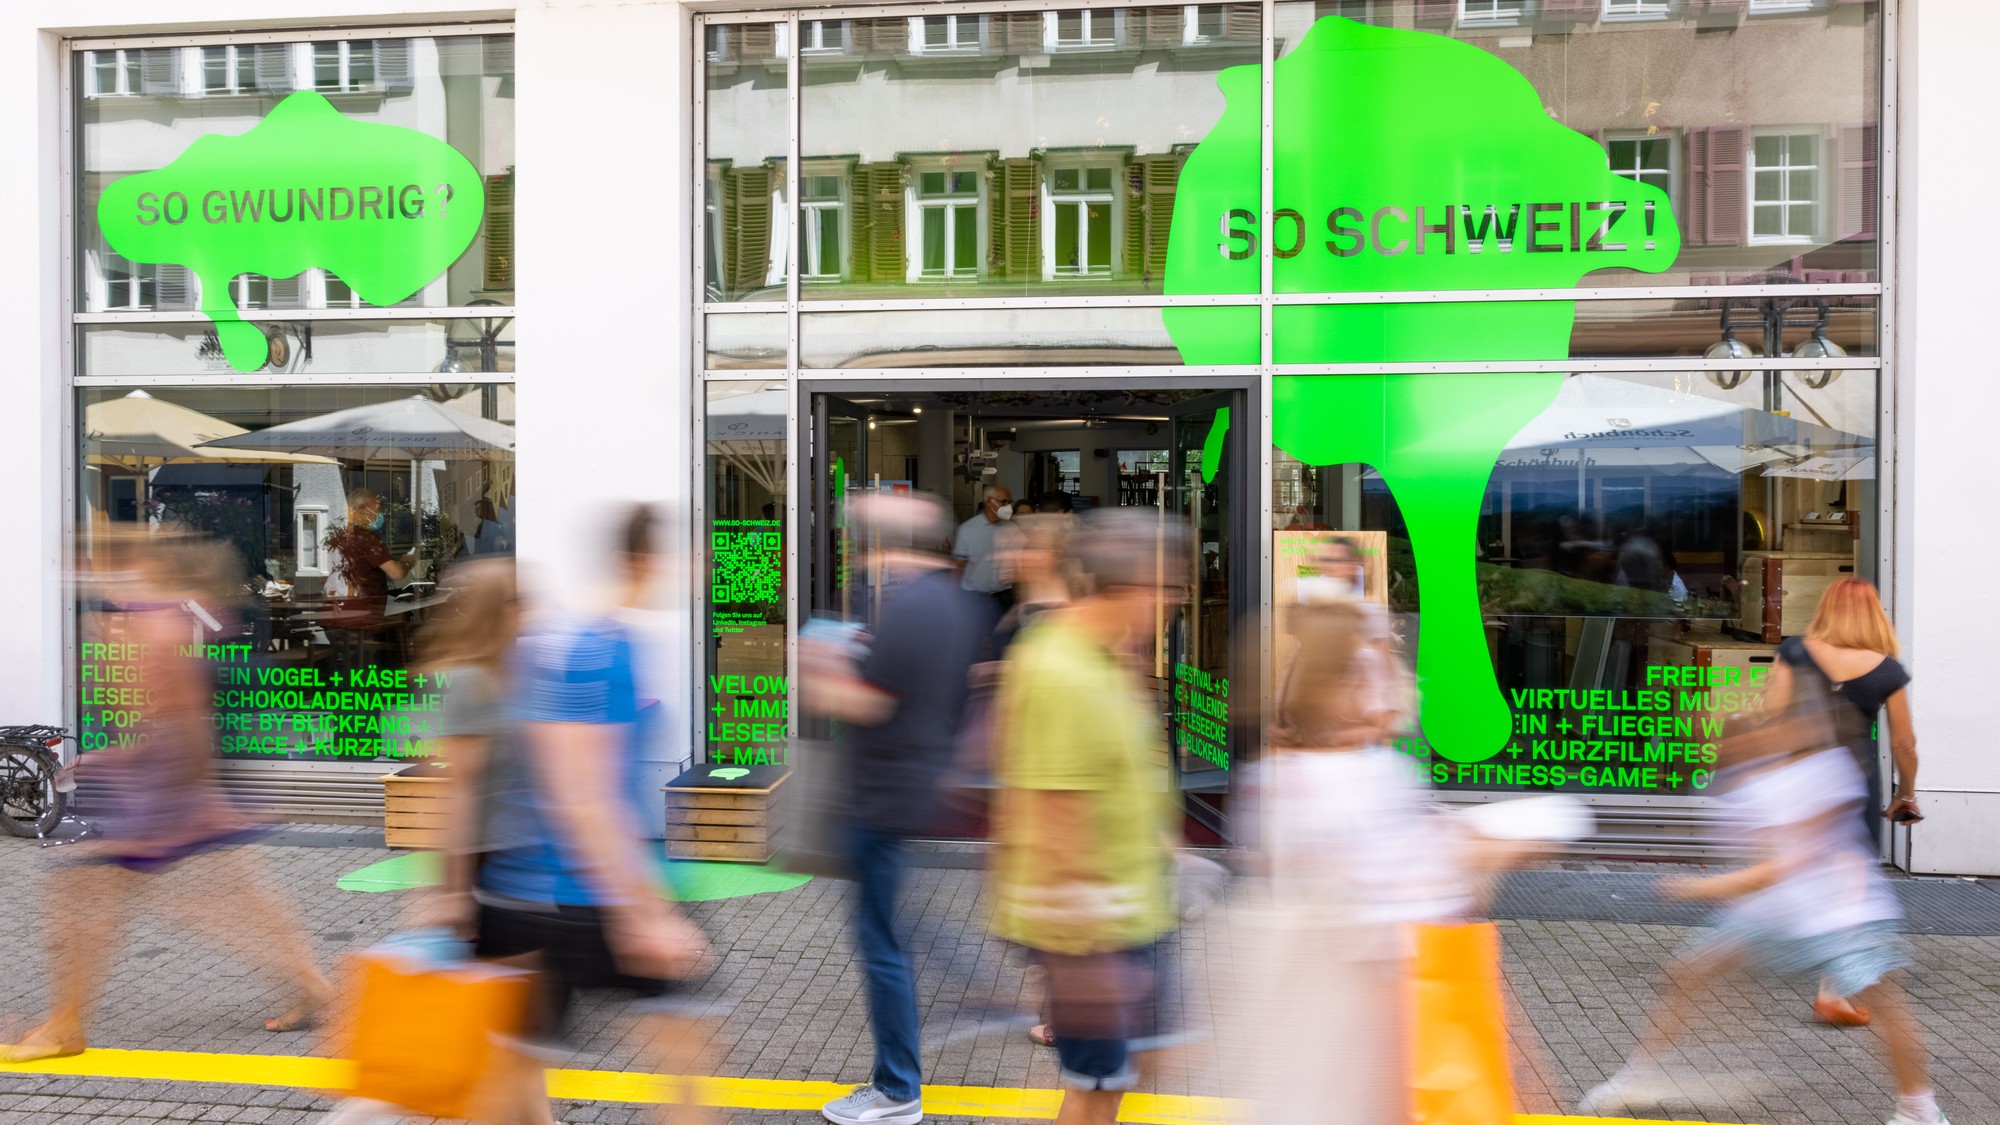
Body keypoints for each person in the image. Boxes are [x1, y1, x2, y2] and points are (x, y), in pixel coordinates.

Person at [3, 532, 330, 1062]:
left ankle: (64, 1025)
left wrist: (123, 772)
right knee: (232, 903)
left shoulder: (154, 629)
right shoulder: (161, 620)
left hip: (161, 803)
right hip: (173, 798)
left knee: (84, 901)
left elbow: (178, 727)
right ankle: (313, 986)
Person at [1580, 671, 1949, 1125]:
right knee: (1685, 976)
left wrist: (1696, 888)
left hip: (1842, 913)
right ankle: (1637, 1076)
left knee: (1887, 1005)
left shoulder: (1826, 774)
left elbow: (1780, 868)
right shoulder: (1745, 782)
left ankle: (1920, 1109)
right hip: (1774, 914)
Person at [470, 504, 717, 1123]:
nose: (699, 565)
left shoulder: (567, 641)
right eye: (686, 552)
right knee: (686, 1066)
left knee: (515, 1076)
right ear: (643, 560)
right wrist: (643, 914)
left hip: (536, 890)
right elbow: (580, 795)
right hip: (576, 895)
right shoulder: (597, 649)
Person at [988, 509, 1188, 1125]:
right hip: (1098, 933)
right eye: (1171, 589)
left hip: (1131, 910)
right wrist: (1086, 966)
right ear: (1132, 588)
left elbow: (1114, 773)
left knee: (1121, 1079)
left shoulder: (1104, 654)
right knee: (1095, 1092)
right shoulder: (1064, 669)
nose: (1176, 604)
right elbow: (1054, 819)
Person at [809, 491, 989, 1125]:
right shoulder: (951, 603)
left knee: (882, 941)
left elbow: (868, 703)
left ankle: (897, 1090)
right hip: (909, 786)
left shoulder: (911, 608)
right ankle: (979, 983)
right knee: (896, 927)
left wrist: (816, 664)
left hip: (883, 796)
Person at [1764, 577, 1921, 1028]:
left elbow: (1773, 712)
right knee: (1852, 883)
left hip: (1800, 777)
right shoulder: (1887, 670)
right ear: (1875, 615)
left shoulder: (1794, 650)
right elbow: (1905, 744)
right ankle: (1833, 988)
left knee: (1799, 868)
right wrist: (1904, 794)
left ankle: (1780, 947)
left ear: (1826, 610)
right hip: (1854, 782)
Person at [324, 487, 415, 627]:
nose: (379, 513)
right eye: (376, 508)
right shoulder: (366, 539)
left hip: (336, 612)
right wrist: (407, 563)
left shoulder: (337, 537)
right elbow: (396, 572)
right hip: (361, 616)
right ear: (362, 509)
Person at [951, 483, 1014, 612]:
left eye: (1009, 502)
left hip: (1004, 596)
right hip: (974, 598)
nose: (1007, 506)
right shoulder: (968, 530)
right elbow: (958, 567)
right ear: (989, 501)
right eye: (1004, 502)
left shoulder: (1011, 529)